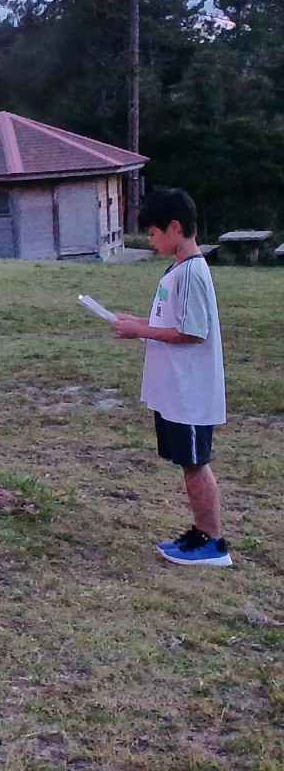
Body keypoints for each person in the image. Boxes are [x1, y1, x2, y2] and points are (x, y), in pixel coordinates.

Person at [111, 189, 230, 566]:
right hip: (175, 389)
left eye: (152, 233)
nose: (150, 240)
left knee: (196, 463)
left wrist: (140, 332)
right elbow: (171, 321)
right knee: (187, 463)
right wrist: (138, 321)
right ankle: (199, 533)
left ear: (175, 227)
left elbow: (193, 332)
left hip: (191, 390)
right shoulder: (177, 269)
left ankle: (213, 543)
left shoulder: (193, 271)